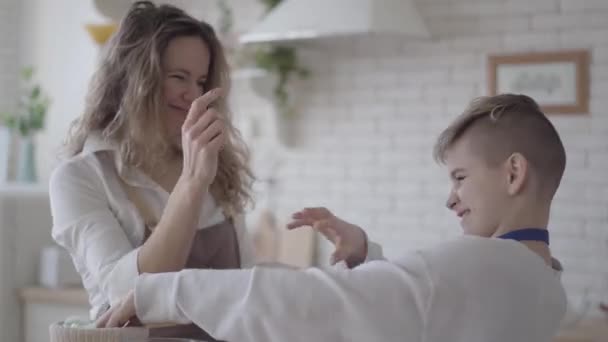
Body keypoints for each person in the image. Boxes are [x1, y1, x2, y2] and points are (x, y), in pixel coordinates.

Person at [96, 94, 569, 342]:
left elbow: (315, 304)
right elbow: (424, 316)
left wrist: (161, 290)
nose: (451, 199)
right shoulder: (547, 286)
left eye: (460, 177)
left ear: (513, 173)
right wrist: (367, 258)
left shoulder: (479, 261)